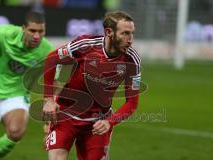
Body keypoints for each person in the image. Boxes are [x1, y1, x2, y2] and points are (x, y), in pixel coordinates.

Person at [43, 11, 141, 160]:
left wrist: (110, 122)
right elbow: (52, 59)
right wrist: (49, 99)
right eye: (125, 33)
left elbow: (132, 103)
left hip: (98, 122)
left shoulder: (132, 60)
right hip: (66, 115)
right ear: (109, 32)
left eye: (132, 34)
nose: (130, 39)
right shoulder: (86, 45)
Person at [0, 11, 54, 160]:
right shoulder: (6, 33)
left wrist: (49, 125)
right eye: (32, 30)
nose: (37, 36)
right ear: (23, 28)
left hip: (15, 96)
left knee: (16, 131)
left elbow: (52, 84)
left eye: (41, 31)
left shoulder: (47, 51)